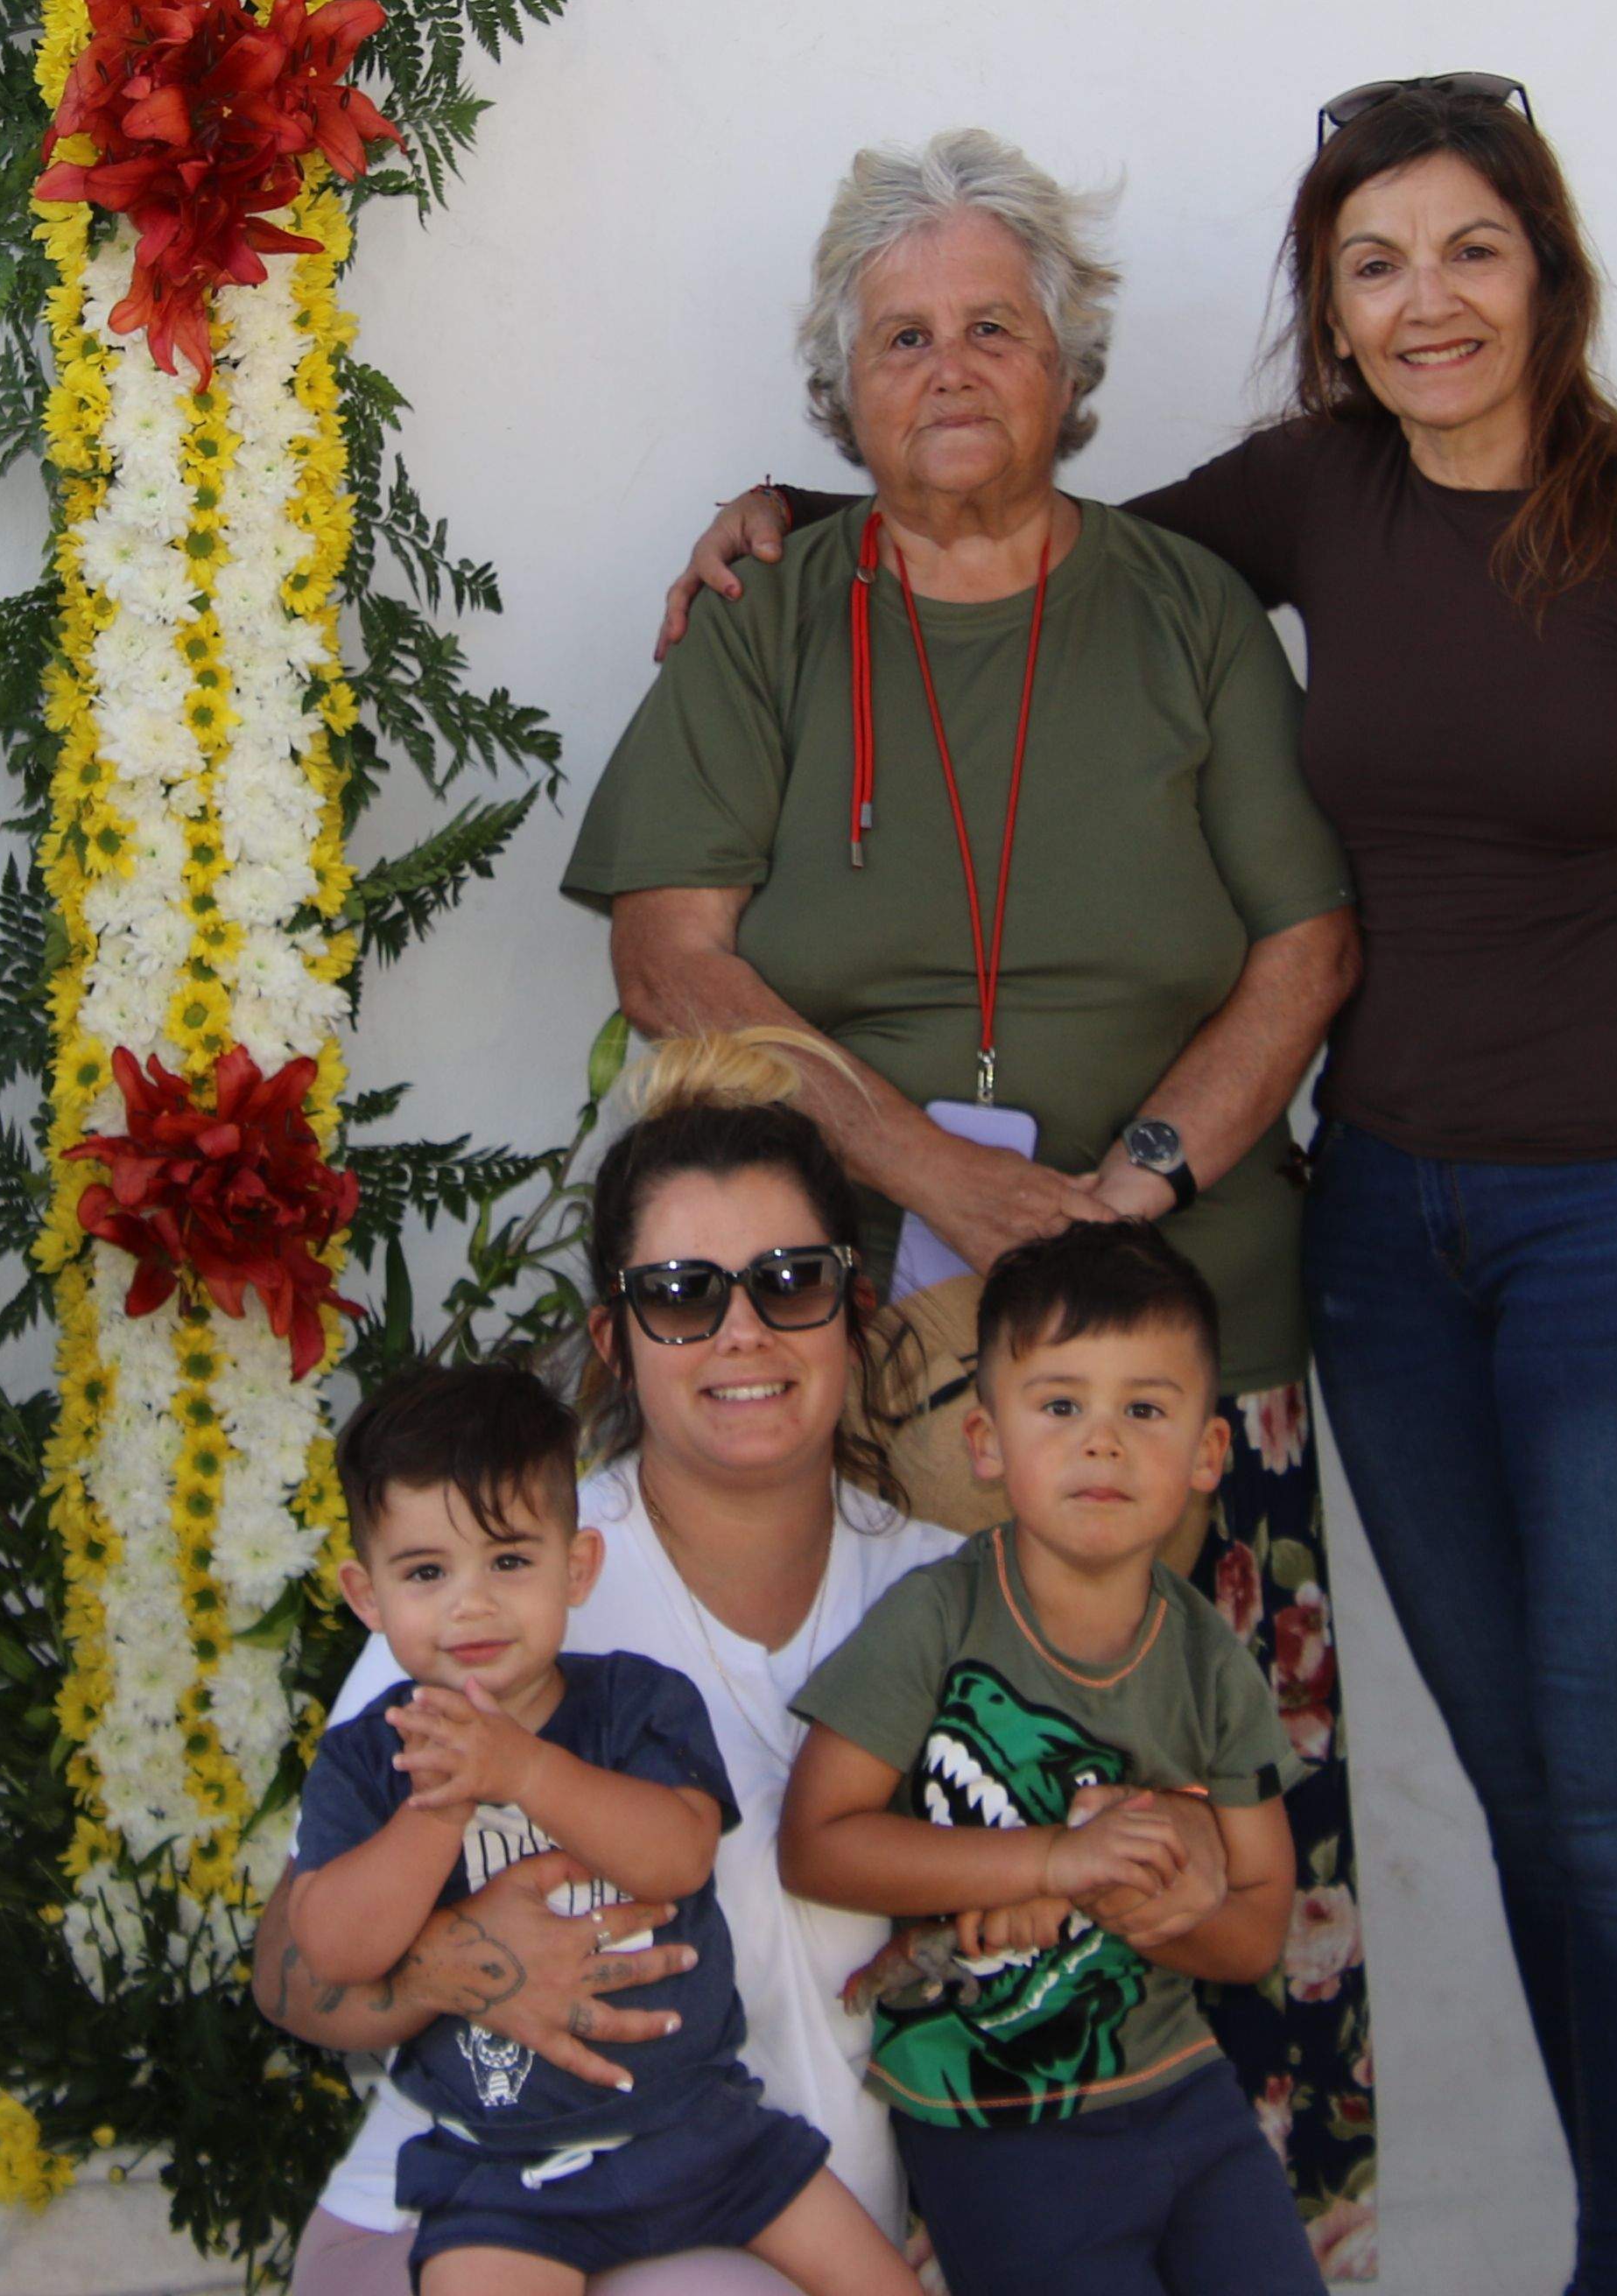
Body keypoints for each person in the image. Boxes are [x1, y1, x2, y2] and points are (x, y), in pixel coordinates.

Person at [668, 76, 1617, 2296]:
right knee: (1526, 1785)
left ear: (1547, 271)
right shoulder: (1316, 500)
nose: (1425, 306)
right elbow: (999, 480)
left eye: (1468, 253)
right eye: (1373, 265)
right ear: (1326, 308)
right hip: (1388, 1229)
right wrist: (780, 498)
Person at [572, 132, 1376, 2266]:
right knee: (883, 1846)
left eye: (992, 330)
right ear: (839, 385)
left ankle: (1250, 2237)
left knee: (1202, 1842)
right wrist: (932, 1175)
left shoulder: (1187, 613)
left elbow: (1302, 951)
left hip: (1171, 1333)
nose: (948, 368)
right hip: (851, 1347)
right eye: (902, 332)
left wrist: (1122, 1189)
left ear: (1066, 370)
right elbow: (668, 949)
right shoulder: (772, 618)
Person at [262, 1034, 1026, 2296]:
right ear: (616, 1339)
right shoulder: (499, 1581)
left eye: (789, 1281)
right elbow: (288, 1974)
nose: (741, 1332)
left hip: (763, 2209)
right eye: (682, 1293)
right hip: (473, 2214)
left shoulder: (953, 1597)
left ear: (856, 1307)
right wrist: (454, 1961)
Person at [277, 1363, 920, 2296]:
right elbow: (333, 1947)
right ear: (368, 1598)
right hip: (502, 2169)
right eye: (425, 1572)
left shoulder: (632, 1703)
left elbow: (681, 1852)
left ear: (575, 1567)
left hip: (703, 2129)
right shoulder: (365, 1762)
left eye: (509, 1561)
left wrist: (525, 1768)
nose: (471, 1604)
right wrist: (444, 1801)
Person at [784, 1225, 1305, 2296]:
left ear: (1209, 1453)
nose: (1101, 1443)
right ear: (988, 1441)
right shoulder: (935, 1618)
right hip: (995, 2120)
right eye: (1061, 1406)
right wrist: (1055, 1863)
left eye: (1145, 1410)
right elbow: (817, 1843)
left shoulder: (1213, 1662)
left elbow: (1255, 1931)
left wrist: (1149, 1894)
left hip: (1182, 2089)